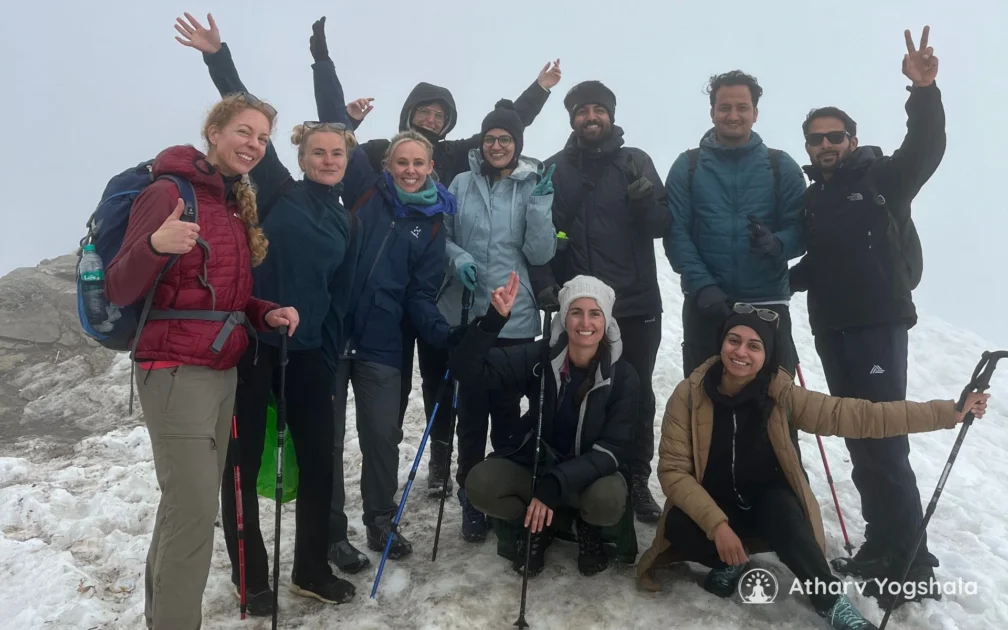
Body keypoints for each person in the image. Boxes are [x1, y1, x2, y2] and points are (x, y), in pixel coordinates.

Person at [309, 17, 563, 495]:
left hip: (433, 291)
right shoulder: (381, 154)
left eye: (438, 115)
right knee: (391, 386)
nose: (430, 120)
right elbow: (337, 141)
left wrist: (540, 89)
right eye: (423, 112)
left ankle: (441, 461)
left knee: (438, 379)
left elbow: (506, 129)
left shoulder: (453, 158)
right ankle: (387, 467)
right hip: (385, 299)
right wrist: (327, 70)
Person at [635, 304, 989, 630]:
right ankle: (730, 560)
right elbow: (673, 472)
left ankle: (831, 602)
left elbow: (860, 415)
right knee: (680, 523)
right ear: (721, 343)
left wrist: (949, 412)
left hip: (766, 510)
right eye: (734, 340)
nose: (741, 352)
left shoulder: (782, 394)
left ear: (767, 354)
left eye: (754, 346)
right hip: (716, 506)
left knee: (784, 510)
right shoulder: (690, 394)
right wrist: (718, 526)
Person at [174, 12, 362, 610]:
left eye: (337, 153)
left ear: (347, 159)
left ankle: (311, 569)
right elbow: (245, 111)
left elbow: (339, 296)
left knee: (319, 462)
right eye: (318, 151)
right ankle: (251, 577)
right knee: (242, 465)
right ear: (301, 157)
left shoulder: (346, 219)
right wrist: (217, 56)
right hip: (252, 347)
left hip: (307, 355)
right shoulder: (279, 187)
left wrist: (329, 356)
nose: (328, 159)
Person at [104, 92, 299, 628]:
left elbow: (225, 295)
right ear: (214, 132)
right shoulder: (170, 192)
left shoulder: (231, 202)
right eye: (244, 132)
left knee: (184, 509)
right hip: (174, 372)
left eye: (263, 138)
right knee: (192, 512)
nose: (254, 145)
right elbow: (118, 286)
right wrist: (156, 245)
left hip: (220, 370)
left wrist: (264, 311)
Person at [788, 26, 946, 605]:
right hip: (831, 329)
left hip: (878, 326)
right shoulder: (813, 200)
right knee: (858, 435)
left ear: (852, 140)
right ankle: (881, 544)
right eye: (815, 139)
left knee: (885, 439)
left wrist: (923, 91)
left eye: (834, 136)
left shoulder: (883, 177)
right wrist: (772, 276)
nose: (825, 145)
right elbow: (818, 264)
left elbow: (925, 148)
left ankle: (913, 561)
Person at [528, 80, 668, 522]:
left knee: (637, 394)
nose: (591, 117)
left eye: (598, 110)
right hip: (581, 308)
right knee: (575, 390)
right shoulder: (553, 169)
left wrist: (645, 203)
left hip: (634, 303)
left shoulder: (635, 161)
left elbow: (662, 224)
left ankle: (635, 478)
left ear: (610, 114)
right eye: (582, 110)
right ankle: (577, 474)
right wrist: (545, 282)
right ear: (572, 118)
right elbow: (538, 232)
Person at [663, 69, 808, 472]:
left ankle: (781, 491)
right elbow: (676, 233)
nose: (733, 115)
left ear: (755, 113)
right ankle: (706, 491)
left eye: (742, 107)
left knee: (774, 404)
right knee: (704, 403)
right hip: (707, 305)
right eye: (724, 107)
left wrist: (778, 244)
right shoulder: (688, 167)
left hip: (767, 304)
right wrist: (701, 285)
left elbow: (802, 229)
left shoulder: (781, 167)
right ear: (712, 112)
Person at [450, 273, 639, 577]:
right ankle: (536, 524)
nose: (585, 322)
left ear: (606, 321)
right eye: (576, 312)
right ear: (564, 317)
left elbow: (613, 449)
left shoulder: (623, 376)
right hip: (537, 465)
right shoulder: (540, 356)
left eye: (595, 313)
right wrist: (492, 322)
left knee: (608, 499)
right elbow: (467, 370)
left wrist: (555, 484)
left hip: (589, 477)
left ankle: (585, 526)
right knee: (482, 484)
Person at [327, 128, 456, 565]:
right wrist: (327, 74)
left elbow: (421, 294)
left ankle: (380, 520)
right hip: (332, 330)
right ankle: (330, 530)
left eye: (418, 163)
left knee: (382, 435)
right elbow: (334, 131)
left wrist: (444, 333)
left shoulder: (433, 224)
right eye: (402, 162)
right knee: (328, 438)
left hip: (382, 340)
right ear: (387, 165)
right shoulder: (364, 189)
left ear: (431, 167)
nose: (410, 170)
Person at [440, 99, 557, 541]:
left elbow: (540, 253)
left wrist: (541, 206)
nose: (496, 146)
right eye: (490, 138)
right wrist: (458, 258)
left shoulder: (531, 185)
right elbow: (442, 237)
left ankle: (505, 494)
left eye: (505, 139)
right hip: (470, 311)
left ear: (517, 143)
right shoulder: (461, 182)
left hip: (516, 316)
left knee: (508, 415)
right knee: (471, 416)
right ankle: (470, 496)